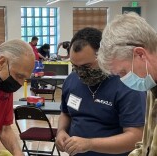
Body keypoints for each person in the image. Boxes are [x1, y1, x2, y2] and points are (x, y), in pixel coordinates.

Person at [55, 27, 146, 156]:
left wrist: (90, 144)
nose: (80, 72)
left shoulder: (127, 84)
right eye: (75, 66)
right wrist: (61, 131)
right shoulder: (72, 80)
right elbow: (65, 113)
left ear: (104, 56)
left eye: (86, 66)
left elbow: (136, 136)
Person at [98, 12, 157, 156]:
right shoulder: (152, 86)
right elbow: (147, 146)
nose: (123, 79)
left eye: (123, 72)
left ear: (140, 54)